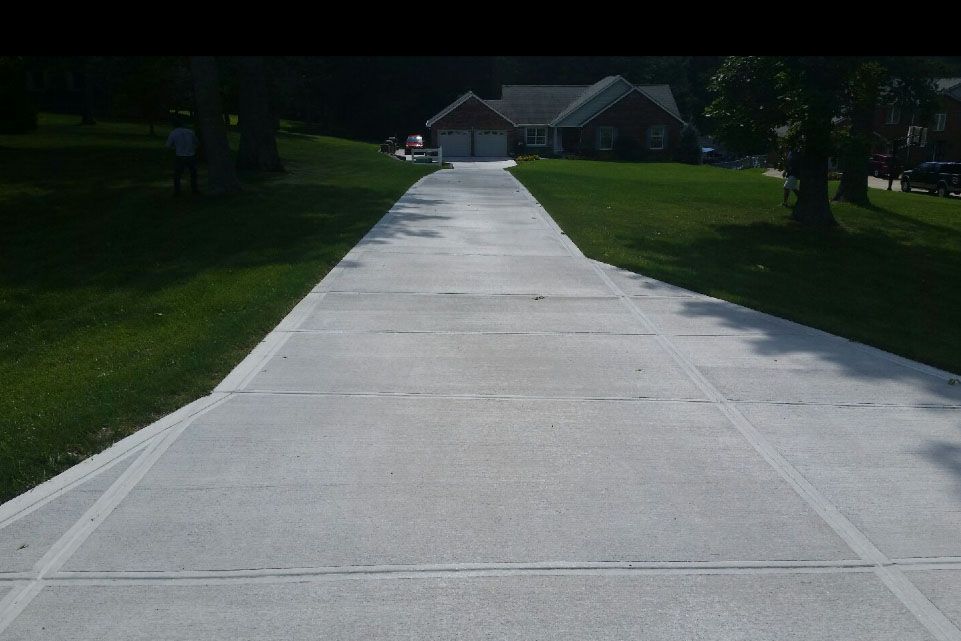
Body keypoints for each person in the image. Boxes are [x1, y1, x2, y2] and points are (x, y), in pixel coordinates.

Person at [165, 116, 200, 196]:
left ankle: (177, 192)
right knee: (193, 174)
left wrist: (175, 147)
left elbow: (168, 146)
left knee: (177, 175)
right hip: (191, 155)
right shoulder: (190, 132)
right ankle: (195, 190)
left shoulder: (173, 133)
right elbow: (197, 143)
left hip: (180, 156)